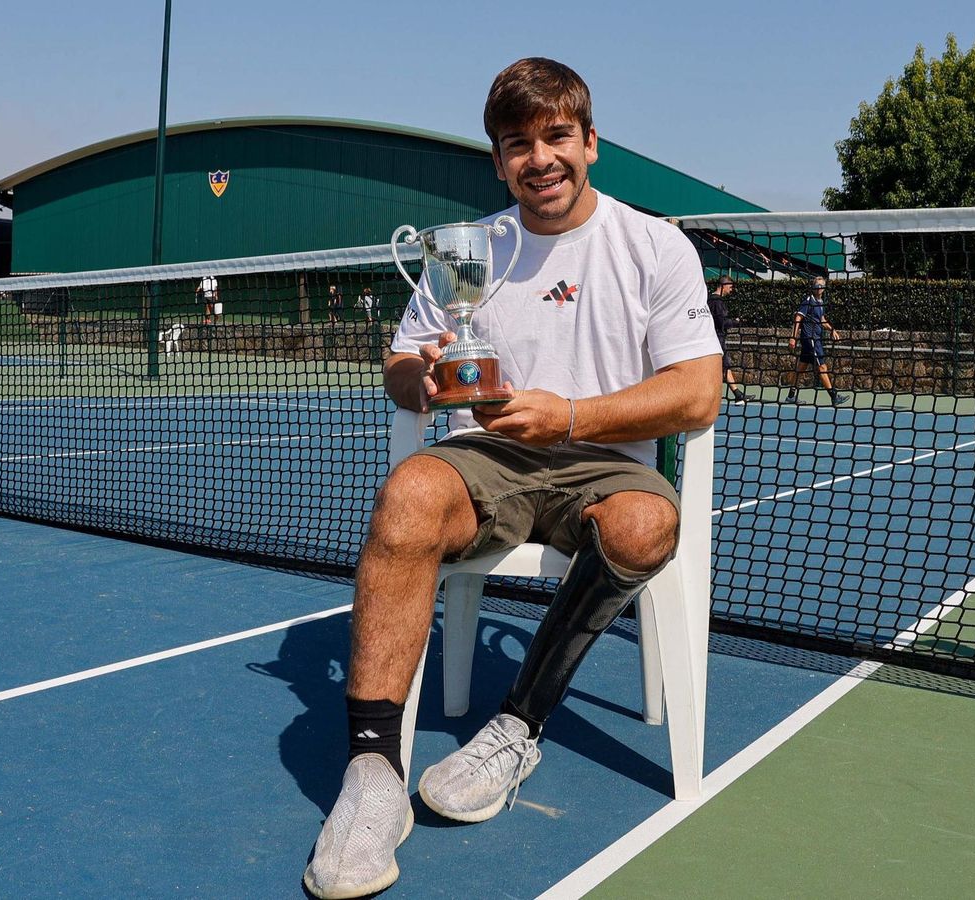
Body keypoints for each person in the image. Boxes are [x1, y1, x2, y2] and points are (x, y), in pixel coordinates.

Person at [303, 57, 720, 899]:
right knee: (406, 496)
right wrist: (416, 380)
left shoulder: (654, 246)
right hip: (484, 460)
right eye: (518, 144)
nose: (540, 158)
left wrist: (567, 417)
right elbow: (401, 365)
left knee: (643, 528)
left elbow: (698, 391)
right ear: (498, 161)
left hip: (605, 463)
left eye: (557, 136)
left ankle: (517, 726)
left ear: (591, 143)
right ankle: (374, 778)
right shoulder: (465, 252)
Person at [784, 277, 851, 405]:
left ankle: (791, 396)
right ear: (813, 287)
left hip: (815, 339)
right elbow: (798, 317)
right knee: (822, 366)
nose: (819, 287)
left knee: (801, 367)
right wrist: (793, 337)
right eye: (817, 285)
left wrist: (832, 330)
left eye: (822, 285)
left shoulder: (820, 302)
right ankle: (834, 396)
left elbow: (821, 319)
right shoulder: (809, 301)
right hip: (811, 339)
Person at [707, 275, 749, 403]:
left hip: (712, 338)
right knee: (723, 366)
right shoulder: (717, 302)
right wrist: (736, 322)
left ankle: (737, 394)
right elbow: (721, 323)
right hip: (717, 339)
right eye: (730, 287)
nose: (731, 290)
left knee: (723, 367)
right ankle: (735, 395)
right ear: (724, 286)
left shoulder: (708, 299)